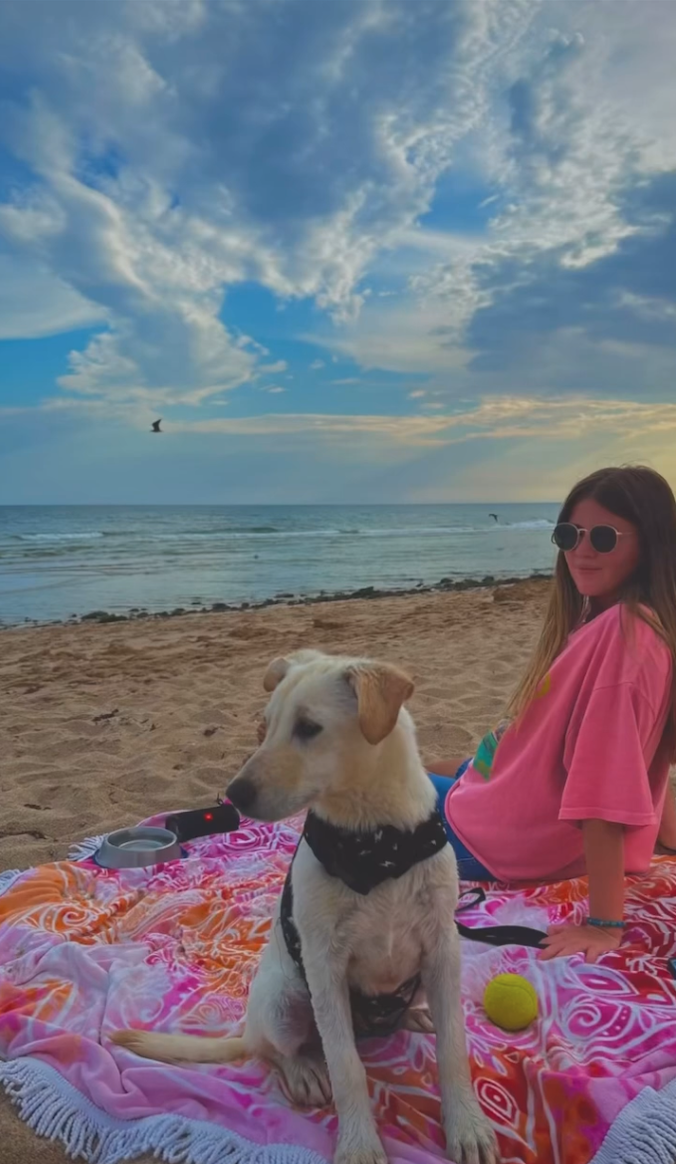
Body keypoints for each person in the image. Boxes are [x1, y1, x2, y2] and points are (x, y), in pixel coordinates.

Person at [427, 466, 676, 963]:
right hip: (510, 793)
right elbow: (649, 759)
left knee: (359, 789)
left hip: (504, 841)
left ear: (649, 544)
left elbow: (604, 788)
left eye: (603, 537)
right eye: (569, 534)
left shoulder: (625, 641)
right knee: (435, 763)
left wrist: (605, 925)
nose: (581, 550)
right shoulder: (616, 615)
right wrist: (663, 841)